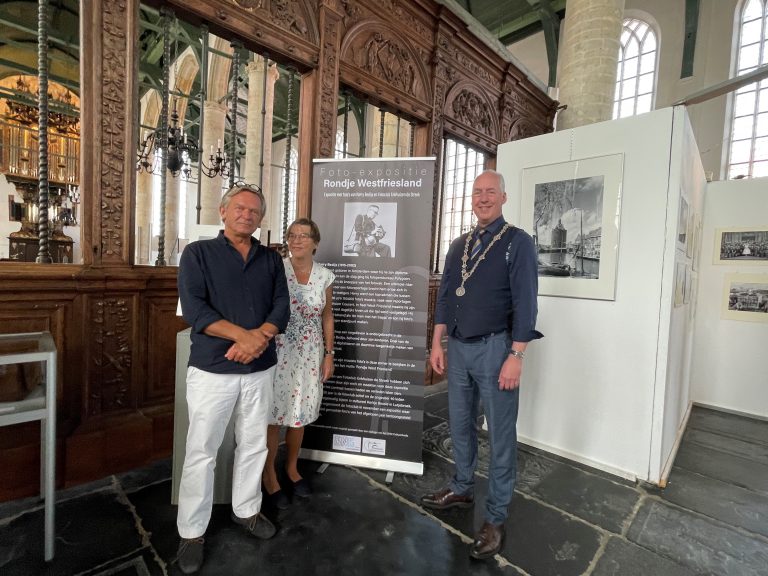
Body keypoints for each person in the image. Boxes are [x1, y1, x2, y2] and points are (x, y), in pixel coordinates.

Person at [421, 170, 542, 560]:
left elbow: (526, 302)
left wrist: (516, 355)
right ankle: (461, 486)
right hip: (457, 347)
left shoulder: (518, 243)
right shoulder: (459, 244)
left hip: (496, 349)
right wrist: (437, 341)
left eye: (490, 192)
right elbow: (444, 298)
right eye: (477, 193)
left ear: (504, 197)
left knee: (501, 435)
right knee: (459, 424)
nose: (483, 198)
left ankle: (495, 516)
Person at [175, 183, 290, 574]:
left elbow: (281, 307)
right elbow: (195, 310)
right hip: (213, 368)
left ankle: (247, 510)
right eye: (240, 208)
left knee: (255, 443)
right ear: (223, 212)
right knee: (201, 450)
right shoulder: (197, 253)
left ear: (260, 219)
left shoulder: (271, 259)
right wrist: (244, 336)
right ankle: (191, 532)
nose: (247, 215)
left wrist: (259, 339)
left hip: (260, 367)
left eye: (255, 211)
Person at [263, 218, 335, 508]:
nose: (296, 240)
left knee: (300, 413)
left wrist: (329, 354)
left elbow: (326, 316)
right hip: (277, 352)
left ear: (315, 242)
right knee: (273, 414)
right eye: (292, 235)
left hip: (309, 354)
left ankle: (292, 468)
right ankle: (269, 472)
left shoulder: (325, 276)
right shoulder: (275, 268)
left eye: (303, 236)